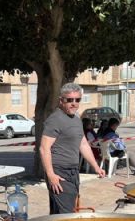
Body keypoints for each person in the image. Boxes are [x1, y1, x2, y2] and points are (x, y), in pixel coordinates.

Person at [40, 83, 105, 214]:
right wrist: (51, 174)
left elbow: (84, 144)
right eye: (69, 100)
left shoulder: (76, 119)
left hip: (73, 172)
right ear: (61, 100)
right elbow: (43, 148)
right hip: (59, 172)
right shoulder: (55, 120)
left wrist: (96, 166)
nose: (74, 103)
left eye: (77, 100)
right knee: (67, 213)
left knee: (58, 213)